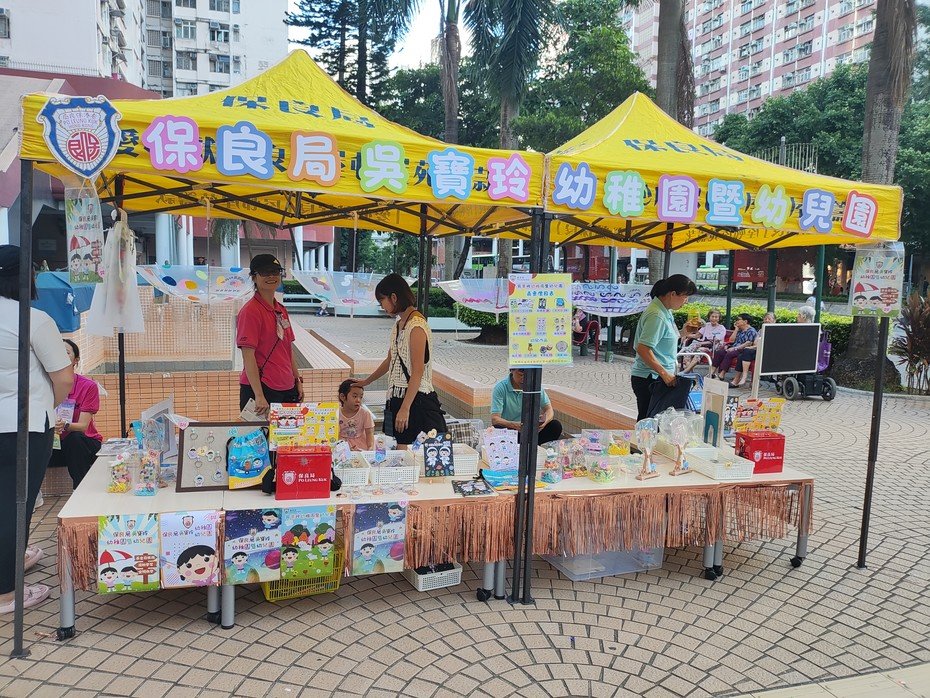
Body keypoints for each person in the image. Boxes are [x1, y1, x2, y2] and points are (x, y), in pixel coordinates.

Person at [0, 245, 74, 614]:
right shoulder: (32, 319)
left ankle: (12, 561)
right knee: (15, 505)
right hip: (24, 427)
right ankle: (6, 593)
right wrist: (48, 406)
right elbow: (64, 378)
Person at [353, 274, 446, 446]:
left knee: (421, 453)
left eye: (382, 300)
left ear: (394, 297)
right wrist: (366, 381)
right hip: (397, 397)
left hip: (417, 401)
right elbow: (391, 359)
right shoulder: (399, 324)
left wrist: (405, 408)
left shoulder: (416, 326)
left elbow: (417, 371)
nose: (382, 306)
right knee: (399, 451)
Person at [236, 254, 303, 416]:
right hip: (262, 389)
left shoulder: (281, 310)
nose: (271, 276)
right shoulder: (250, 312)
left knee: (287, 432)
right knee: (260, 432)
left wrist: (297, 380)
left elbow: (288, 350)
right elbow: (248, 356)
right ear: (254, 277)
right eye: (265, 272)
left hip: (287, 387)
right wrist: (259, 395)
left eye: (275, 271)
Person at [630, 274, 697, 421]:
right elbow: (643, 348)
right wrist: (664, 374)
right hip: (651, 378)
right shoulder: (657, 315)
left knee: (655, 423)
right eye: (685, 297)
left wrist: (683, 333)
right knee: (649, 423)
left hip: (656, 377)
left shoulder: (665, 311)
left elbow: (662, 339)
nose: (686, 301)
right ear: (673, 294)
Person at [48, 339, 103, 487]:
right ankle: (32, 493)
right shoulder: (44, 385)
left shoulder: (88, 386)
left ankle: (80, 489)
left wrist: (63, 425)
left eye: (66, 353)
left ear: (76, 360)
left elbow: (83, 426)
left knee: (75, 439)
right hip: (54, 444)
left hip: (84, 443)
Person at [491, 368, 563, 445]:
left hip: (532, 430)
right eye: (520, 375)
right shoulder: (501, 388)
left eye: (528, 376)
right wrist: (514, 425)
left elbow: (549, 409)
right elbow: (495, 419)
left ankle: (536, 447)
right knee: (497, 428)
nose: (524, 379)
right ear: (512, 370)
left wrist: (544, 422)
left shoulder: (535, 387)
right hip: (511, 431)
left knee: (555, 426)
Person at [729, 312, 775, 388]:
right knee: (742, 355)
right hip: (758, 351)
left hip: (769, 353)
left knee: (745, 353)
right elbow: (756, 343)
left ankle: (742, 378)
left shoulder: (776, 330)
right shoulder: (761, 331)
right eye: (765, 319)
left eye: (769, 319)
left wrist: (754, 346)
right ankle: (739, 379)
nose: (767, 320)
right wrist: (752, 347)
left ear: (774, 321)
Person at [711, 313, 758, 381]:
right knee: (720, 352)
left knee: (730, 354)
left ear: (745, 321)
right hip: (733, 347)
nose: (736, 321)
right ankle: (712, 372)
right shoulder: (740, 330)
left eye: (738, 319)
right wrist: (736, 329)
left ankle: (722, 374)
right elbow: (731, 340)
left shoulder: (751, 331)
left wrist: (734, 348)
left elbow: (748, 344)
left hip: (743, 350)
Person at [337, 379, 374, 451]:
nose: (358, 400)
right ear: (342, 397)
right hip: (342, 446)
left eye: (361, 397)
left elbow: (369, 433)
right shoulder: (336, 413)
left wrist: (370, 448)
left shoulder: (365, 413)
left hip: (361, 447)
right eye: (355, 396)